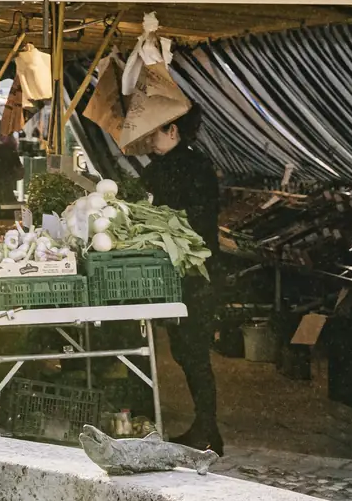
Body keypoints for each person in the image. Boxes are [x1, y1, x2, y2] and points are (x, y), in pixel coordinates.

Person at [140, 106, 223, 455]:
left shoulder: (193, 168)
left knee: (193, 352)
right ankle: (204, 428)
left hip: (195, 275)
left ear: (173, 131)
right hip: (177, 274)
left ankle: (208, 431)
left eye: (155, 133)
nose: (148, 140)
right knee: (185, 351)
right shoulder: (162, 166)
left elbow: (195, 221)